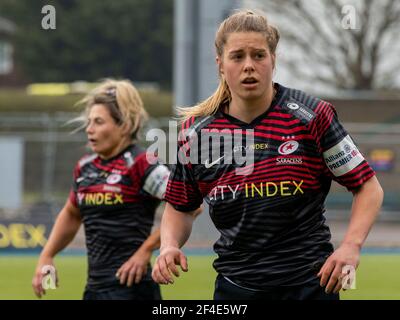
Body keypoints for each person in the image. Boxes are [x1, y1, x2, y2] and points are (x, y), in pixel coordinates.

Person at [151, 9, 384, 300]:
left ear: (273, 60)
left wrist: (351, 246)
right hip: (236, 290)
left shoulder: (313, 117)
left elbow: (367, 187)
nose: (249, 65)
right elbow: (180, 207)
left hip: (310, 286)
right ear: (220, 65)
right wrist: (170, 245)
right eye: (237, 56)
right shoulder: (194, 134)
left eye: (258, 55)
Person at [32, 79, 171, 300]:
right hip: (94, 289)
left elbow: (188, 206)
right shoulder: (85, 167)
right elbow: (71, 213)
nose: (89, 129)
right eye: (89, 122)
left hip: (133, 288)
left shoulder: (141, 163)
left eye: (98, 122)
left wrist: (145, 252)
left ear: (124, 125)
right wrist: (47, 256)